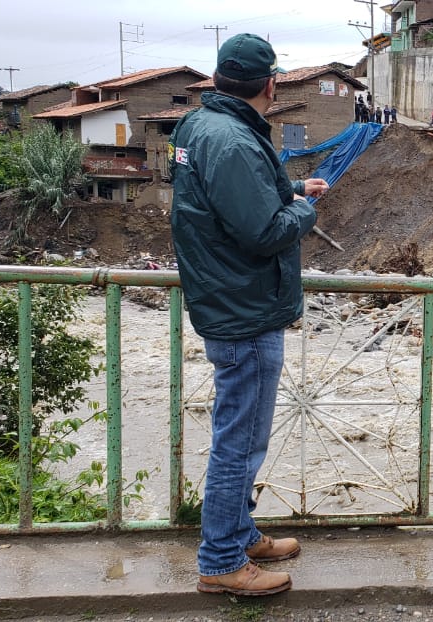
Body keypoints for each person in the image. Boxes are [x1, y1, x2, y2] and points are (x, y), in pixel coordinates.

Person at [169, 33, 328, 596]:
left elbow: (231, 194)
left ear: (217, 81)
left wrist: (286, 188)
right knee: (240, 440)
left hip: (225, 297)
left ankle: (238, 534)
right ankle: (220, 562)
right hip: (245, 308)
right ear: (271, 83)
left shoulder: (199, 126)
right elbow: (263, 232)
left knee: (239, 433)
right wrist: (303, 209)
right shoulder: (233, 139)